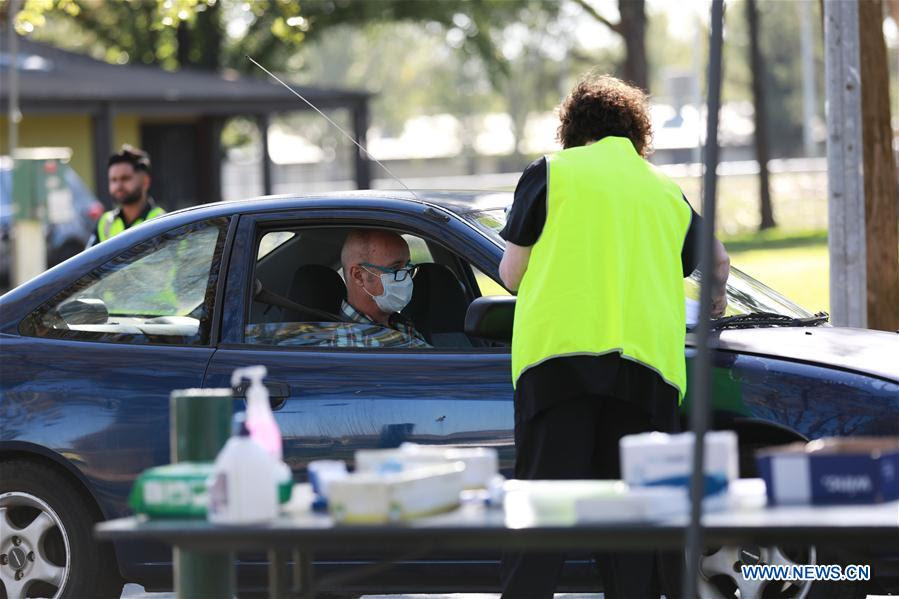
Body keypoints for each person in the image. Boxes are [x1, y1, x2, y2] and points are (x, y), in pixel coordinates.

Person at [497, 74, 731, 599]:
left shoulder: (551, 172)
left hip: (558, 369)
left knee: (540, 522)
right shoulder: (665, 190)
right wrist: (716, 298)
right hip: (647, 376)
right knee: (635, 537)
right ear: (637, 132)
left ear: (573, 129)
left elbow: (511, 275)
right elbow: (716, 260)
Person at [337, 229, 429, 348]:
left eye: (407, 267)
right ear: (359, 276)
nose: (406, 278)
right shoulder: (346, 344)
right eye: (395, 269)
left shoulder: (402, 326)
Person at [85, 145, 165, 248]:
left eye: (125, 178)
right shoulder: (104, 223)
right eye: (113, 180)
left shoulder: (162, 222)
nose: (118, 186)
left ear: (145, 181)